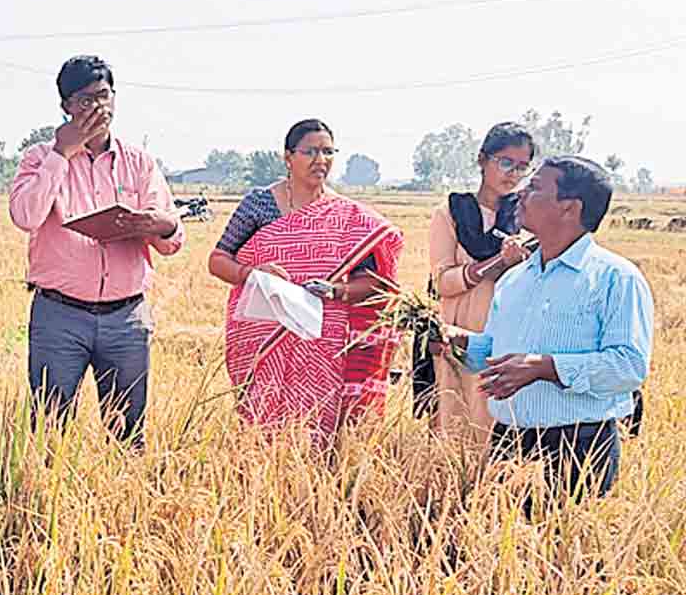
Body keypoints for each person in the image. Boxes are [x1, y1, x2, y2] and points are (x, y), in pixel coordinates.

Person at [442, 157, 653, 501]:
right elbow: (495, 353)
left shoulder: (616, 278)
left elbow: (628, 368)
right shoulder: (514, 279)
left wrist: (544, 367)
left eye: (536, 187)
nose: (522, 192)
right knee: (498, 551)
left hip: (579, 449)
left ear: (569, 208)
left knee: (565, 551)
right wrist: (460, 344)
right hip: (508, 443)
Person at [9, 55, 183, 447]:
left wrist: (158, 225)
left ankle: (120, 503)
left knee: (127, 435)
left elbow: (171, 237)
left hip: (126, 318)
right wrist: (61, 153)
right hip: (60, 316)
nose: (97, 108)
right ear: (66, 107)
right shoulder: (39, 158)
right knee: (49, 431)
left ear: (115, 98)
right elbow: (26, 216)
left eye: (103, 96)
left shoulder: (138, 163)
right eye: (84, 101)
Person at [208, 119, 403, 443]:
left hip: (323, 338)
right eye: (310, 151)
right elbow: (217, 260)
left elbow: (376, 283)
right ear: (288, 157)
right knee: (260, 428)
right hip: (263, 333)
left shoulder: (351, 218)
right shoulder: (260, 204)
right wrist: (252, 274)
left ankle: (312, 489)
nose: (320, 160)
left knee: (317, 428)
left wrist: (335, 290)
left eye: (328, 152)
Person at [424, 122, 534, 444]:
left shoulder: (527, 217)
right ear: (482, 160)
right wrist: (498, 262)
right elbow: (443, 282)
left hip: (509, 336)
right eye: (505, 162)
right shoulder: (452, 213)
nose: (512, 174)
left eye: (522, 167)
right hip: (458, 337)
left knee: (499, 424)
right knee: (456, 422)